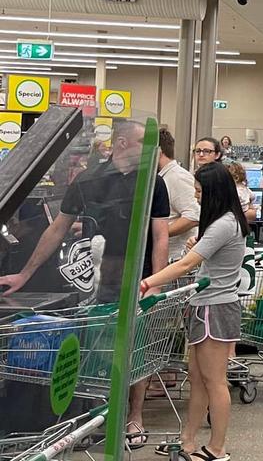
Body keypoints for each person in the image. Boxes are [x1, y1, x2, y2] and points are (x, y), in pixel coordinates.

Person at [0, 119, 172, 448]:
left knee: (137, 348)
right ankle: (101, 414)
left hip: (139, 277)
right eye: (143, 144)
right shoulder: (90, 179)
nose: (151, 152)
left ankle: (134, 415)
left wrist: (156, 283)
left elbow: (159, 234)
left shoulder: (152, 182)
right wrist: (25, 274)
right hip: (96, 277)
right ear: (122, 143)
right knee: (99, 350)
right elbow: (57, 229)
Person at [141, 162, 249, 461]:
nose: (197, 197)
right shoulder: (222, 222)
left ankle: (217, 449)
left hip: (215, 308)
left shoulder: (224, 223)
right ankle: (187, 440)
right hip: (206, 307)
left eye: (200, 191)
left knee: (215, 380)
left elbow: (186, 265)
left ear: (214, 191)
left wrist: (149, 281)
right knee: (198, 377)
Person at [158, 128, 199, 262]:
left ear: (158, 152)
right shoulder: (163, 176)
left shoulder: (177, 177)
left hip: (176, 258)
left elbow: (193, 215)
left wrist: (158, 234)